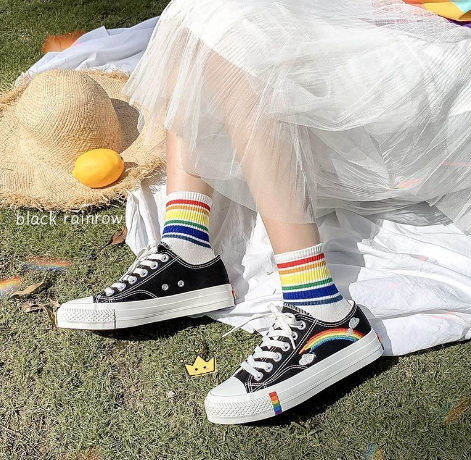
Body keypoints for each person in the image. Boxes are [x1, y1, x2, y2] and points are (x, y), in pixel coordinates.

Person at [57, 0, 471, 424]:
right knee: (196, 9)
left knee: (234, 31)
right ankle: (187, 246)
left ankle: (322, 309)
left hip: (440, 31)